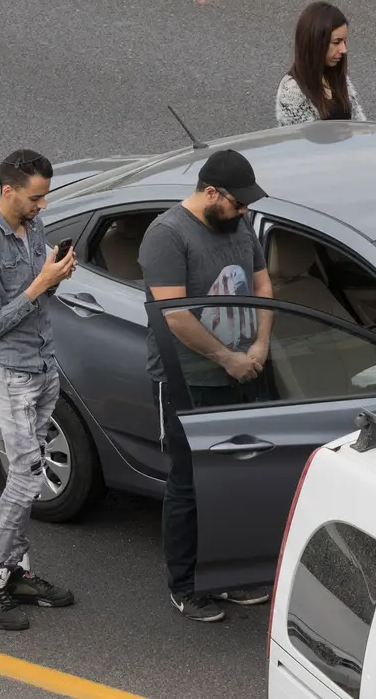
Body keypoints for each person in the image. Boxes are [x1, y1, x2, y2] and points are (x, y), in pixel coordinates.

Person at [138, 149, 276, 622]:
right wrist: (227, 358)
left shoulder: (239, 226)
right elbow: (174, 315)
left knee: (234, 480)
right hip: (189, 382)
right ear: (211, 193)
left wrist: (258, 346)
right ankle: (186, 584)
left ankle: (227, 576)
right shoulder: (167, 236)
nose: (245, 213)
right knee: (189, 485)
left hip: (242, 371)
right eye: (239, 204)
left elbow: (262, 287)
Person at [0, 149, 77, 631]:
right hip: (11, 377)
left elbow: (36, 295)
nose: (42, 206)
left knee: (29, 474)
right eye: (35, 197)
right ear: (8, 191)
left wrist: (55, 277)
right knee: (27, 478)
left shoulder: (34, 227)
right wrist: (40, 285)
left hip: (45, 367)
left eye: (45, 196)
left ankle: (17, 573)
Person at [275, 1, 368, 125]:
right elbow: (301, 141)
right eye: (336, 42)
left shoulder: (337, 77)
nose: (344, 50)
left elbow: (359, 125)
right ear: (315, 43)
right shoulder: (292, 92)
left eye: (344, 41)